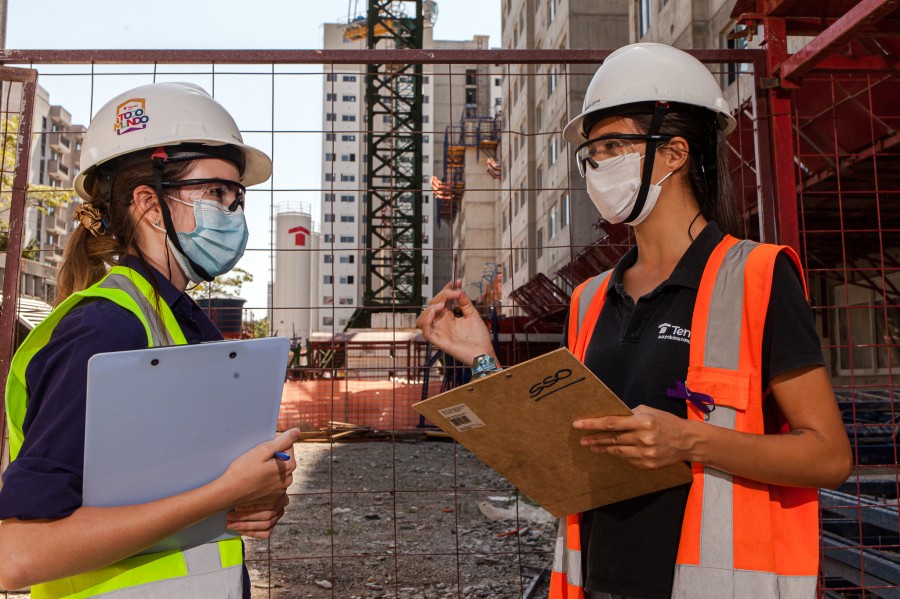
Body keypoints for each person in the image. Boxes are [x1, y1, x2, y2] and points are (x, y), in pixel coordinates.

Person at [415, 44, 852, 599]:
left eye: (612, 146)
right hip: (599, 581)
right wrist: (482, 357)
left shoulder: (757, 277)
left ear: (673, 153)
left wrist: (688, 440)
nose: (596, 166)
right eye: (590, 152)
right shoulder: (591, 299)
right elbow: (566, 450)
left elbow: (829, 456)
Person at [0, 82, 298, 598]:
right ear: (151, 205)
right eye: (216, 194)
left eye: (238, 198)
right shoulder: (104, 330)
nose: (233, 215)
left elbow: (171, 493)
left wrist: (250, 497)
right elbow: (16, 556)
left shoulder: (181, 323)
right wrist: (223, 492)